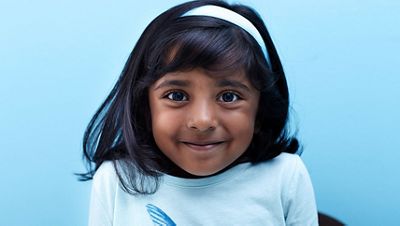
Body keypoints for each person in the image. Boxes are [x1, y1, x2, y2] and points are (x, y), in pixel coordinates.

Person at [79, 0, 318, 225]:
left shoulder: (285, 176)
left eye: (228, 97)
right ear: (145, 106)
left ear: (261, 109)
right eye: (177, 96)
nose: (202, 121)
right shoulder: (116, 179)